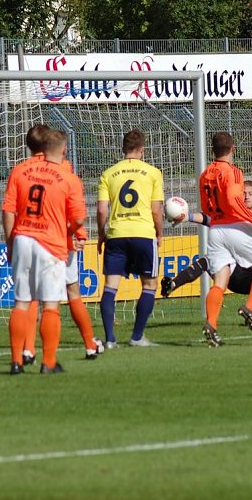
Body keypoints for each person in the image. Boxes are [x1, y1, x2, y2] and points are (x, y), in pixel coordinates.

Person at [161, 180, 252, 326]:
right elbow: (207, 219)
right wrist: (188, 217)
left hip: (251, 278)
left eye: (250, 194)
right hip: (231, 272)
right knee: (209, 259)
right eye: (243, 193)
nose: (246, 196)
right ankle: (173, 284)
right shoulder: (230, 215)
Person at [17, 124, 103, 365]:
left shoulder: (23, 170)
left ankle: (28, 349)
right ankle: (88, 344)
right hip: (59, 240)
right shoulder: (62, 168)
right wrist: (78, 234)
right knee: (71, 291)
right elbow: (71, 206)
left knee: (31, 296)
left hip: (29, 238)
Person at [3, 129, 86, 375]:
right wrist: (68, 231)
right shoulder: (68, 177)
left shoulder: (20, 171)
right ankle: (48, 362)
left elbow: (7, 209)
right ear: (63, 150)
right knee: (50, 304)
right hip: (50, 243)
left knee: (21, 302)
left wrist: (10, 243)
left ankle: (16, 361)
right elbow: (79, 219)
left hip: (22, 238)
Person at [197, 132, 252, 347]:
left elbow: (205, 206)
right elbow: (233, 200)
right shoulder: (233, 172)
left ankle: (211, 324)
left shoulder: (205, 174)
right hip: (235, 227)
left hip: (215, 230)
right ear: (233, 148)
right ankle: (250, 308)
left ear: (213, 150)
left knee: (220, 282)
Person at [97, 129, 164, 348]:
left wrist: (101, 234)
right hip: (143, 234)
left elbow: (101, 210)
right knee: (150, 284)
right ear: (142, 150)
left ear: (123, 149)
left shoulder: (108, 174)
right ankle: (136, 337)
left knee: (110, 286)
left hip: (117, 234)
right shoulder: (153, 173)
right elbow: (156, 210)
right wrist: (160, 233)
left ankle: (109, 339)